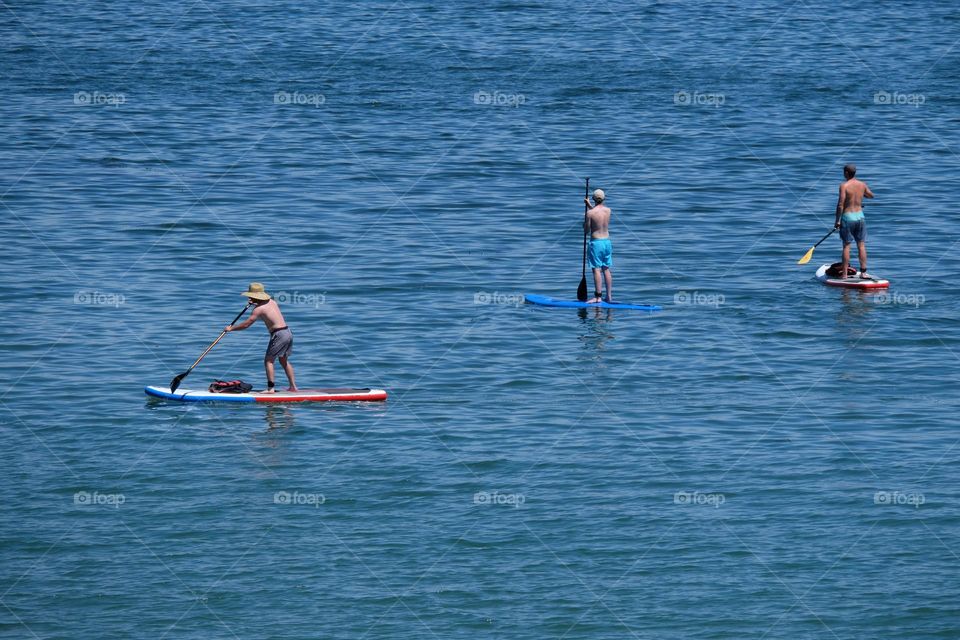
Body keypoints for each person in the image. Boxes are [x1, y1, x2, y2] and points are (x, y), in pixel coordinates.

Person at [225, 282, 297, 393]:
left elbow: (246, 325)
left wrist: (231, 329)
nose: (249, 297)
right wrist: (255, 303)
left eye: (250, 296)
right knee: (283, 361)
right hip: (287, 332)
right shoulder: (272, 302)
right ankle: (293, 387)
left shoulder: (258, 310)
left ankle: (270, 389)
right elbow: (265, 309)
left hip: (279, 335)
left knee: (268, 361)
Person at [834, 164, 875, 279]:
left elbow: (841, 204)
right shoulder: (862, 184)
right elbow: (871, 196)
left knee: (846, 246)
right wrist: (860, 196)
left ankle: (845, 274)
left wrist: (837, 221)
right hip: (860, 217)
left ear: (846, 173)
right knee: (861, 245)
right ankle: (863, 272)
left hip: (847, 218)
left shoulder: (844, 185)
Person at [584, 188, 613, 302]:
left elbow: (586, 230)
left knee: (596, 270)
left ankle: (598, 297)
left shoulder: (590, 213)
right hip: (607, 242)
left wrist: (585, 220)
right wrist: (590, 206)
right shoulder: (608, 210)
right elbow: (599, 214)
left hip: (596, 243)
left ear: (593, 199)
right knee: (606, 269)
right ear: (604, 199)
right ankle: (609, 296)